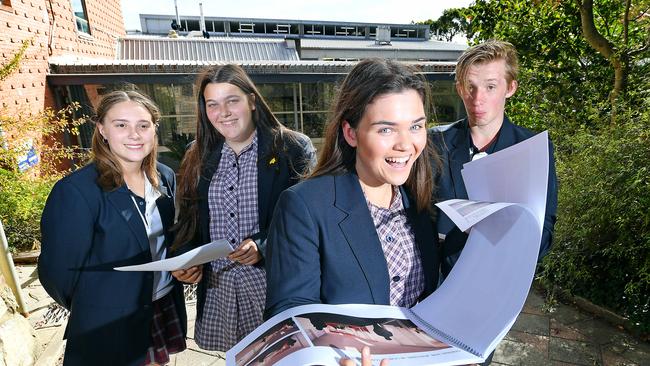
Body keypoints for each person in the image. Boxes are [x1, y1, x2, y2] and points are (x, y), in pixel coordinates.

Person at [264, 58, 440, 318]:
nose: (405, 144)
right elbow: (291, 315)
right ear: (351, 133)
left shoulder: (420, 198)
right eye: (386, 130)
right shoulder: (305, 206)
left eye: (415, 126)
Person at [171, 64, 315, 351]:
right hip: (221, 291)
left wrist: (262, 244)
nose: (222, 112)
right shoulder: (197, 155)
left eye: (231, 101)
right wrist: (183, 260)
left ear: (251, 100)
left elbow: (308, 222)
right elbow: (188, 221)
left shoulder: (291, 148)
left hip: (272, 287)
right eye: (212, 104)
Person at [38, 90, 187, 365]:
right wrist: (100, 303)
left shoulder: (165, 177)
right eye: (121, 125)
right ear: (102, 129)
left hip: (160, 304)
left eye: (143, 125)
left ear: (154, 130)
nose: (135, 134)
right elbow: (58, 274)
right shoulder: (76, 191)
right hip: (109, 320)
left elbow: (162, 242)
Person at [430, 39, 558, 279]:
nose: (477, 99)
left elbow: (546, 230)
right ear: (459, 88)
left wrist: (511, 238)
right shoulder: (433, 144)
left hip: (503, 285)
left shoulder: (534, 149)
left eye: (490, 87)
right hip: (438, 285)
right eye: (470, 86)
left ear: (510, 88)